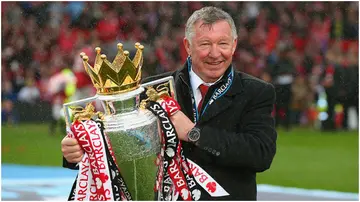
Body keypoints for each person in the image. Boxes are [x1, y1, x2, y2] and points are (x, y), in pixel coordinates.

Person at [61, 6, 277, 200]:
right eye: (205, 44)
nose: (215, 53)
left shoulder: (256, 92)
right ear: (188, 46)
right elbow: (120, 144)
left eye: (223, 44)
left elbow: (260, 154)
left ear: (234, 45)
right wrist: (78, 152)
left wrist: (194, 133)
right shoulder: (150, 90)